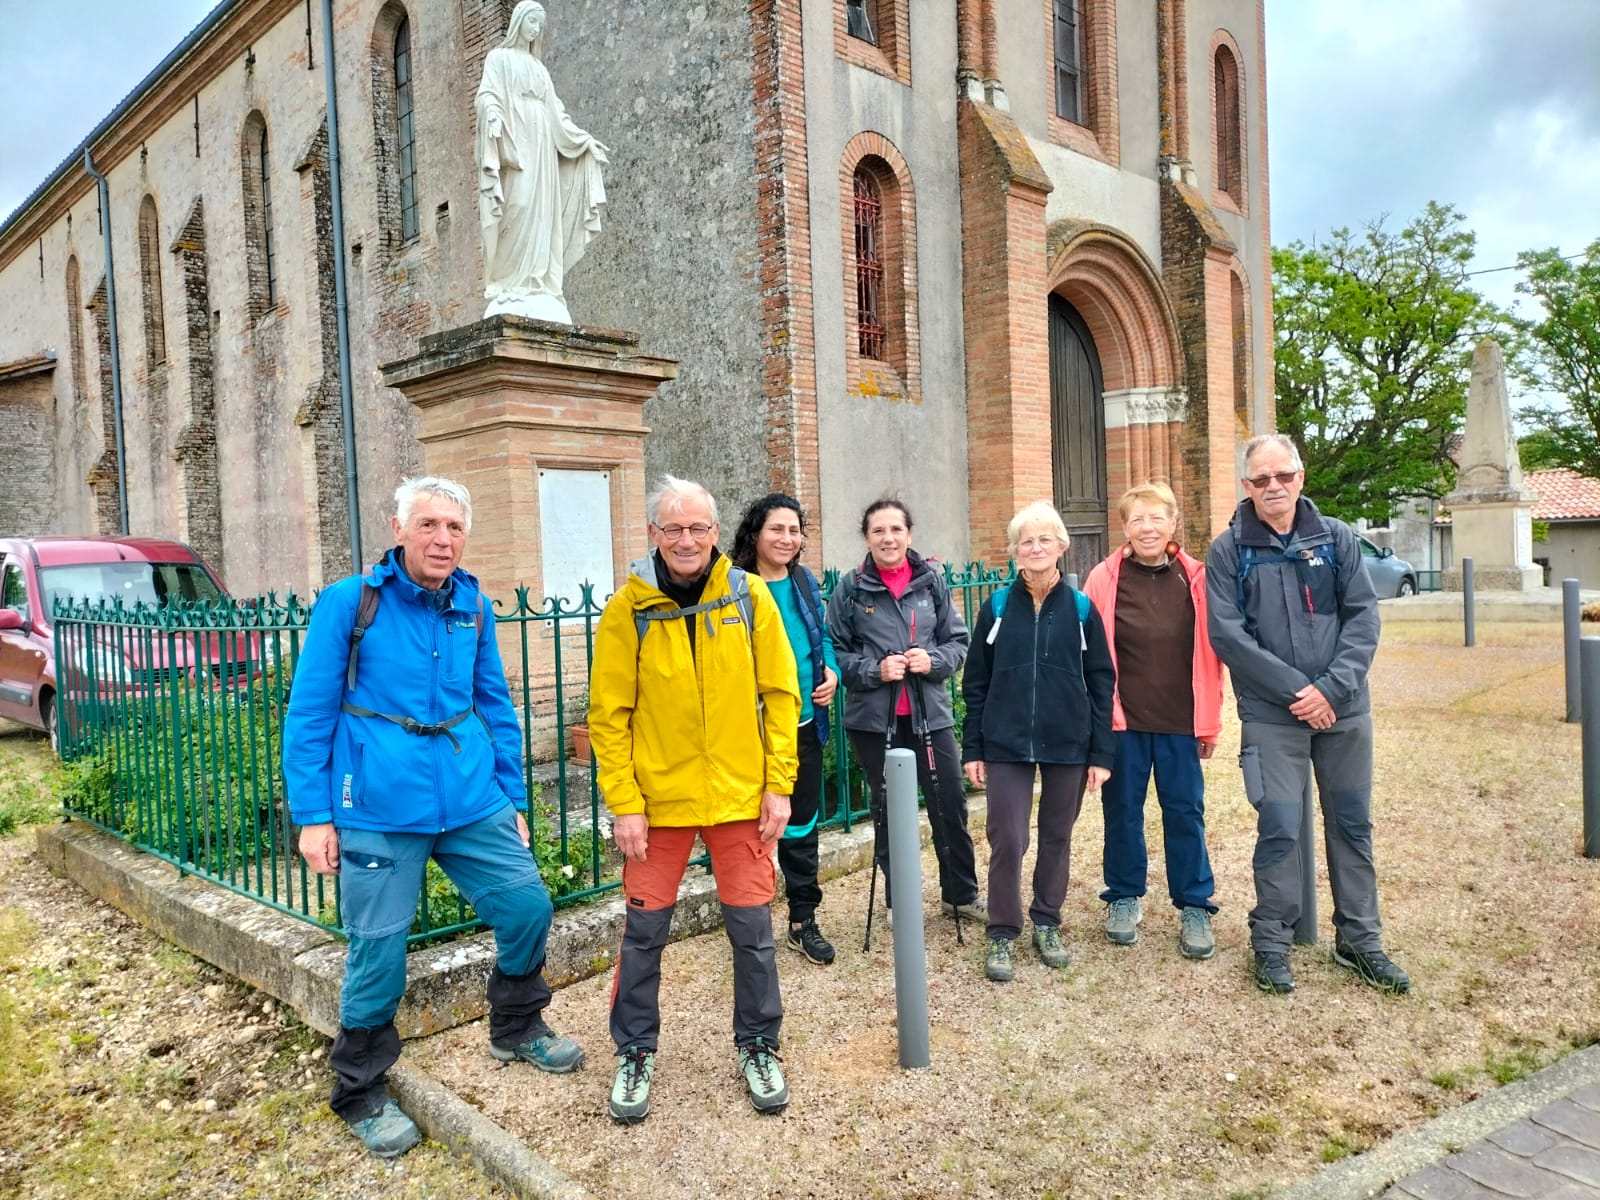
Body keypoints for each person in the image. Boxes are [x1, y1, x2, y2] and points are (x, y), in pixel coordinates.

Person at [282, 477, 582, 1159]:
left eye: (454, 527)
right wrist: (314, 815)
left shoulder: (473, 605)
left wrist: (513, 799)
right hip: (378, 802)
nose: (442, 539)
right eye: (428, 525)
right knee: (379, 945)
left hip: (470, 796)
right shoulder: (350, 603)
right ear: (398, 529)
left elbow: (494, 703)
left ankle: (516, 1025)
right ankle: (360, 1087)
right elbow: (310, 711)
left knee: (527, 906)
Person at [587, 476, 800, 1123]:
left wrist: (779, 784)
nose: (687, 540)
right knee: (643, 935)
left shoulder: (748, 596)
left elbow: (781, 695)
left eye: (698, 528)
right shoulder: (627, 610)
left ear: (715, 532)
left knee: (753, 934)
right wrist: (625, 802)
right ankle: (634, 1051)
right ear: (654, 533)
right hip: (658, 805)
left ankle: (758, 1044)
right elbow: (609, 717)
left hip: (739, 798)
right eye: (674, 528)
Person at [1206, 434, 1410, 996]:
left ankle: (1360, 942)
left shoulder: (1337, 538)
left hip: (1344, 711)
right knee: (1278, 826)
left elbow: (1363, 618)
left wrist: (1331, 690)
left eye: (1283, 476)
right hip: (1273, 716)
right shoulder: (1228, 550)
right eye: (1261, 479)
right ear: (1246, 486)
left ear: (1301, 477)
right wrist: (1300, 691)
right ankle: (1272, 942)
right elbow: (1227, 635)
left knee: (1352, 825)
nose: (1273, 486)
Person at [962, 501, 1114, 983]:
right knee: (1008, 838)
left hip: (1068, 742)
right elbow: (975, 683)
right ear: (1014, 551)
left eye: (1044, 539)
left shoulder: (1082, 609)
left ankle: (1047, 921)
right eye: (1026, 541)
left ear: (1061, 546)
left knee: (1056, 836)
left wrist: (1100, 753)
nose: (1035, 548)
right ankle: (1002, 930)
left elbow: (1102, 682)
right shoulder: (996, 608)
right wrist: (973, 748)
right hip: (1004, 742)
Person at [826, 498, 983, 931]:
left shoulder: (931, 581)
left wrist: (932, 661)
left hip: (930, 715)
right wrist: (874, 671)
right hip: (874, 722)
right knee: (888, 812)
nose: (888, 538)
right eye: (878, 530)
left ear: (909, 534)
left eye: (896, 529)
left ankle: (961, 895)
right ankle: (902, 901)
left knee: (949, 803)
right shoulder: (851, 589)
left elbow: (958, 643)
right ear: (866, 538)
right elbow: (834, 653)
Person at [1083, 483, 1224, 960]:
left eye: (1156, 518)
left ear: (1173, 523)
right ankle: (1124, 896)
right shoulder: (1103, 579)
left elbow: (1214, 655)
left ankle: (1195, 903)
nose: (1147, 528)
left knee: (1185, 812)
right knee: (1122, 811)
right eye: (1137, 519)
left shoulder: (1198, 578)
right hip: (1123, 722)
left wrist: (1209, 724)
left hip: (1181, 722)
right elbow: (1088, 654)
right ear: (1123, 527)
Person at [730, 494, 842, 966]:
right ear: (755, 533)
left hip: (803, 722)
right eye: (777, 529)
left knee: (801, 823)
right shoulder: (733, 586)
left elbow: (822, 637)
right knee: (745, 828)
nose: (787, 538)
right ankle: (747, 925)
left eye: (794, 530)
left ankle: (802, 919)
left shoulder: (803, 581)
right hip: (748, 729)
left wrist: (831, 670)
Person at [474, 0, 608, 323]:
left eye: (539, 25)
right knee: (517, 205)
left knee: (543, 214)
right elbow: (487, 95)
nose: (535, 29)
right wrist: (492, 115)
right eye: (532, 22)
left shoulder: (539, 69)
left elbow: (557, 112)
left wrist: (584, 142)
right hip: (516, 139)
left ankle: (537, 283)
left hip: (542, 144)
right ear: (518, 21)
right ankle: (509, 283)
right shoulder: (499, 59)